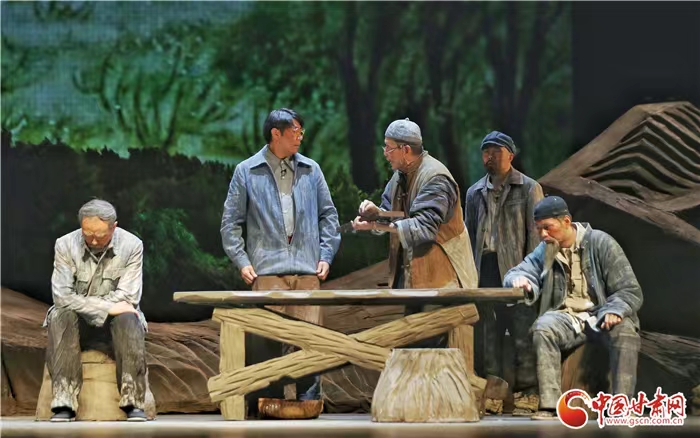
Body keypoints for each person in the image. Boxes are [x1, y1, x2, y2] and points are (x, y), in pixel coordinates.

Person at [221, 108, 340, 402]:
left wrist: (326, 255)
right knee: (266, 342)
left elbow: (329, 216)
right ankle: (266, 403)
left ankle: (308, 403)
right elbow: (230, 223)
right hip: (267, 272)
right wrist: (242, 261)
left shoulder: (311, 170)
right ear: (276, 133)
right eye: (295, 131)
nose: (300, 137)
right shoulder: (247, 171)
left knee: (310, 342)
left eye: (301, 132)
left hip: (307, 271)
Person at [503, 196, 643, 420]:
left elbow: (629, 290)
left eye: (547, 227)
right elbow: (518, 271)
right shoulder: (546, 249)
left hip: (601, 314)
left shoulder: (601, 242)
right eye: (539, 229)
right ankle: (550, 406)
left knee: (625, 332)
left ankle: (622, 406)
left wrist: (614, 310)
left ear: (566, 221)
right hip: (567, 318)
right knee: (543, 328)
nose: (543, 234)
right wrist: (520, 280)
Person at [45, 199, 148, 422]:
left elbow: (128, 297)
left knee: (129, 317)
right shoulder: (65, 244)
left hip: (115, 323)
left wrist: (106, 308)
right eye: (87, 234)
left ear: (114, 227)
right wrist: (107, 307)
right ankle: (63, 402)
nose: (92, 240)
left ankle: (133, 402)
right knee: (60, 315)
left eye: (100, 235)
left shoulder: (132, 245)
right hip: (77, 321)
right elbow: (61, 297)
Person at [352, 118, 477, 296]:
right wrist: (377, 214)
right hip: (413, 279)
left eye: (389, 148)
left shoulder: (435, 178)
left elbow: (424, 228)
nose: (385, 153)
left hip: (444, 281)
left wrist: (376, 225)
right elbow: (396, 214)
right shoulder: (399, 176)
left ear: (406, 150)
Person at [464, 131, 543, 409]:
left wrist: (532, 273)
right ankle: (492, 393)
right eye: (486, 152)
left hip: (517, 267)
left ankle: (528, 392)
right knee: (487, 332)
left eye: (496, 151)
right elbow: (470, 234)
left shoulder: (528, 188)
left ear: (511, 154)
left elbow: (536, 235)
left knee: (522, 329)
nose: (490, 157)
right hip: (485, 267)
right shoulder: (474, 192)